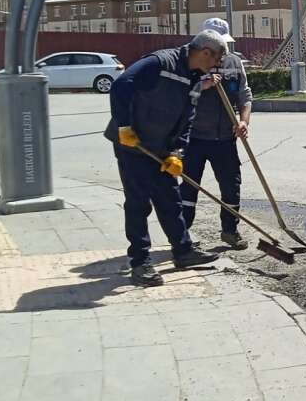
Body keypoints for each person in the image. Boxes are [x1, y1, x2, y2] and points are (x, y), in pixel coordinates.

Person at [104, 30, 227, 286]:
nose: (216, 66)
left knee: (170, 199)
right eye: (216, 59)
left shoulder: (195, 78)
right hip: (133, 145)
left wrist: (176, 153)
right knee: (138, 203)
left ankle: (183, 251)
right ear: (205, 52)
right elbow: (121, 85)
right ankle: (140, 262)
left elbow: (187, 120)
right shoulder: (159, 63)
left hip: (160, 148)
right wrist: (124, 126)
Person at [181, 18, 252, 250]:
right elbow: (179, 95)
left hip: (225, 139)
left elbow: (244, 95)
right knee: (189, 188)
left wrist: (243, 121)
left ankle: (230, 231)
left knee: (231, 186)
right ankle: (182, 238)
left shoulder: (234, 62)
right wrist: (202, 85)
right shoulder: (190, 63)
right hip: (195, 138)